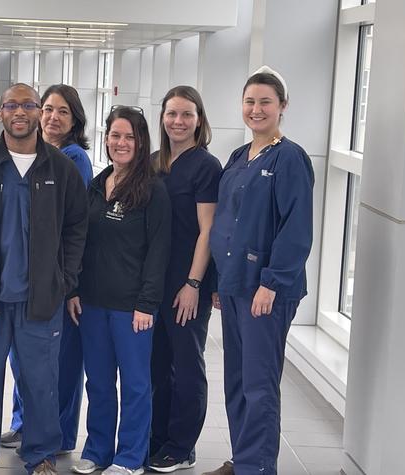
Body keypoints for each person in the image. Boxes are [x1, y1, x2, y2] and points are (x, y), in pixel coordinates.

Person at [0, 83, 88, 475]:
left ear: (38, 112)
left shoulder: (59, 169)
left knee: (41, 383)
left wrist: (65, 278)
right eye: (13, 105)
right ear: (0, 112)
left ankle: (41, 456)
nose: (21, 112)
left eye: (29, 104)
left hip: (40, 298)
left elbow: (78, 227)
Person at [203, 67, 314, 475]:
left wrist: (271, 283)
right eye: (250, 101)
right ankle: (242, 458)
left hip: (265, 291)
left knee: (259, 384)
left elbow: (296, 229)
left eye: (265, 101)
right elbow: (227, 224)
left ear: (282, 107)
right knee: (236, 381)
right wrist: (218, 281)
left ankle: (259, 467)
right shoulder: (239, 155)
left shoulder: (290, 158)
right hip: (234, 287)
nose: (256, 109)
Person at [69, 106, 171, 475]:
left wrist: (147, 303)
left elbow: (159, 252)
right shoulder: (97, 183)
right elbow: (81, 242)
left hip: (133, 308)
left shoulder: (153, 191)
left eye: (130, 136)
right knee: (97, 381)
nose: (121, 143)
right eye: (115, 135)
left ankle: (130, 457)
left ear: (141, 142)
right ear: (106, 139)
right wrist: (74, 290)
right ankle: (97, 450)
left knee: (135, 385)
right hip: (93, 302)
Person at [1, 83, 93, 453]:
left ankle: (57, 435)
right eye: (49, 109)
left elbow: (71, 225)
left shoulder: (73, 159)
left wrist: (69, 285)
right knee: (27, 361)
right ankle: (26, 425)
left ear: (75, 120)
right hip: (22, 280)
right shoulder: (29, 154)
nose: (54, 117)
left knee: (60, 364)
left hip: (57, 281)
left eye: (63, 112)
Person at [148, 86, 221, 472]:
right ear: (162, 118)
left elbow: (207, 231)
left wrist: (193, 284)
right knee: (157, 365)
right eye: (172, 113)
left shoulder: (206, 166)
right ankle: (157, 438)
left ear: (199, 119)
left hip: (186, 283)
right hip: (153, 283)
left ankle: (182, 445)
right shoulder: (156, 161)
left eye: (187, 114)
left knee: (187, 366)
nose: (178, 121)